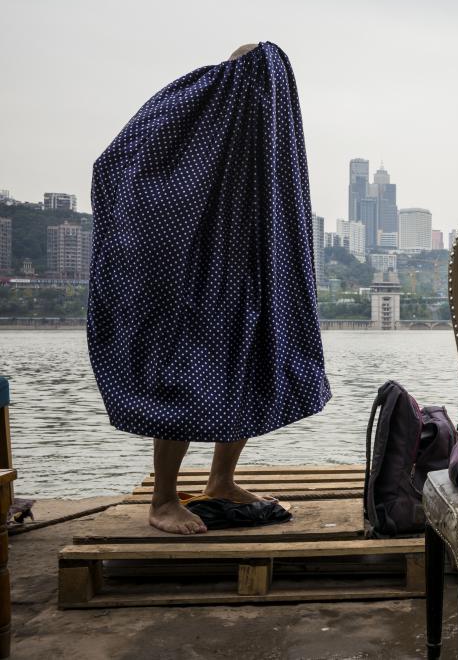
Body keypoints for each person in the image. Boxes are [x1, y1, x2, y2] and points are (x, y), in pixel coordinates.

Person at [87, 43, 331, 534]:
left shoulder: (263, 143)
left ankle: (221, 481)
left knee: (248, 363)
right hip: (192, 272)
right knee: (182, 371)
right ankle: (163, 500)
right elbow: (117, 164)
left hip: (246, 266)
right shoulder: (194, 107)